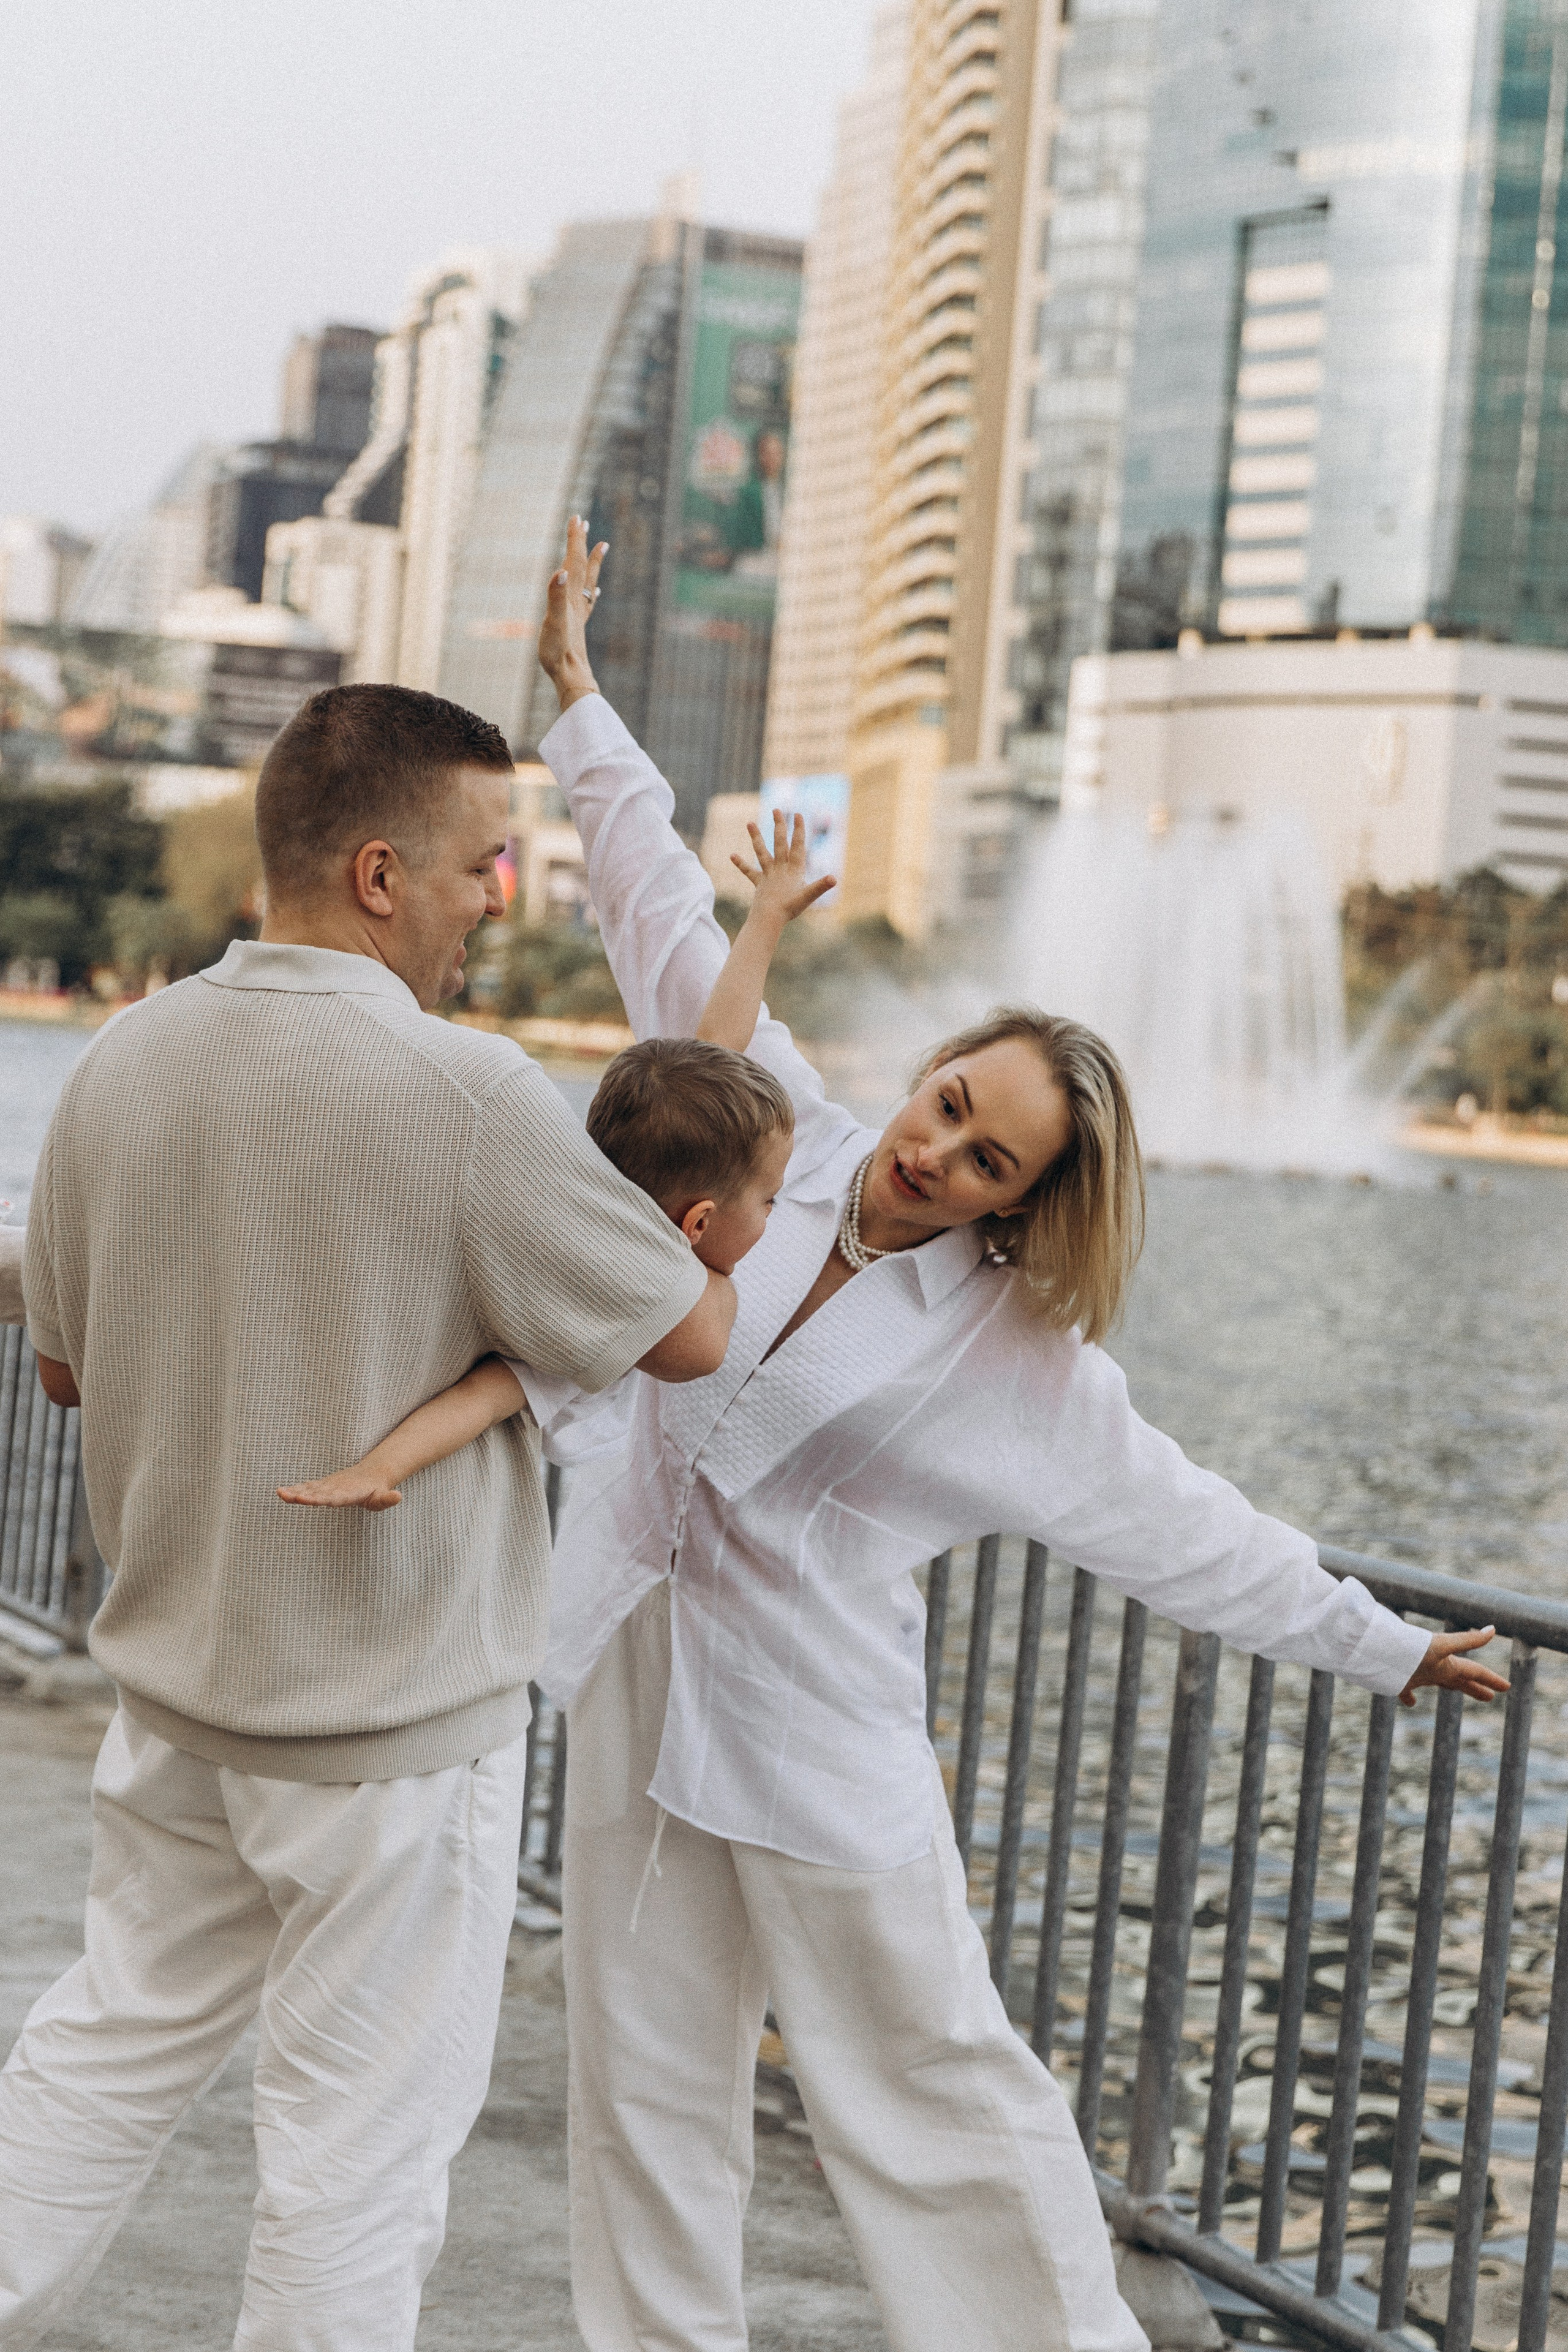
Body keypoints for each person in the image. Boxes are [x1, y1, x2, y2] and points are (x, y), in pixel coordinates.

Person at [529, 519, 1509, 2352]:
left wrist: (1377, 1645)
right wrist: (582, 699)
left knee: (933, 2091)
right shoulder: (786, 1140)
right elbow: (661, 919)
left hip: (819, 1742)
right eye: (948, 1100)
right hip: (637, 1671)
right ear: (926, 1065)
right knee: (641, 2081)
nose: (935, 1150)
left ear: (1026, 1196)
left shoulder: (1017, 1359)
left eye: (987, 1154)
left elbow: (1184, 1522)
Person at [1, 677, 734, 2350]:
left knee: (100, 2055)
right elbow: (684, 1330)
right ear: (387, 874)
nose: (501, 900)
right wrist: (483, 1338)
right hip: (394, 1733)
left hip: (184, 1687)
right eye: (487, 863)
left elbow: (58, 1367)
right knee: (354, 2169)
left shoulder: (124, 1059)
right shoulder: (465, 1097)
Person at [273, 812, 827, 1510]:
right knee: (502, 1387)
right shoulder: (631, 1280)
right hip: (508, 1443)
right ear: (699, 1221)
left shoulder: (602, 1192)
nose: (775, 1214)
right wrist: (378, 1468)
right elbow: (491, 1393)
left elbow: (719, 1040)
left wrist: (767, 919)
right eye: (770, 1200)